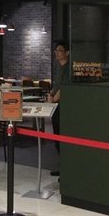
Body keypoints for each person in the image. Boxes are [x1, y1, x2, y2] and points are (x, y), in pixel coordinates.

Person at [48, 40, 70, 176]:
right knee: (57, 137)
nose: (57, 53)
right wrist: (50, 95)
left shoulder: (68, 69)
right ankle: (61, 166)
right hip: (55, 107)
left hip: (63, 107)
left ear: (67, 53)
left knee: (63, 138)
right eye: (56, 51)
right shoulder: (58, 67)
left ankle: (65, 169)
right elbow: (57, 85)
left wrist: (54, 98)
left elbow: (64, 87)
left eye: (60, 50)